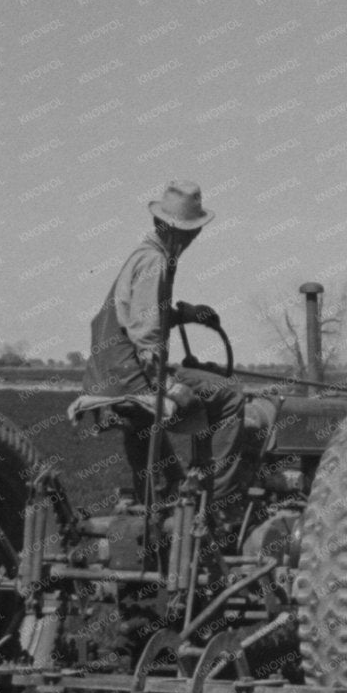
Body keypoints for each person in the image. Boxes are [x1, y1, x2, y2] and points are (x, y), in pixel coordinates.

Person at [84, 180, 247, 520]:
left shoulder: (145, 257)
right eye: (193, 231)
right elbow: (145, 335)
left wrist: (184, 314)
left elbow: (141, 317)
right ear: (178, 231)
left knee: (190, 400)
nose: (194, 238)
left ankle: (168, 490)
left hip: (109, 375)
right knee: (229, 394)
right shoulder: (154, 262)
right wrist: (170, 386)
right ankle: (217, 506)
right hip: (134, 376)